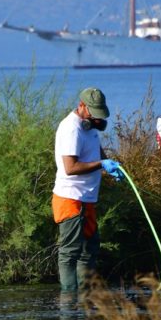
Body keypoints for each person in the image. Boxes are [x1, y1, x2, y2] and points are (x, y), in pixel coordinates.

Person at [52, 87, 124, 293]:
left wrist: (109, 166)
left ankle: (85, 298)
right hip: (70, 199)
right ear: (81, 105)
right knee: (70, 252)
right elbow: (70, 167)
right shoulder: (71, 129)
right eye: (93, 112)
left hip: (87, 199)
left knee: (89, 250)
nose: (96, 117)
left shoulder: (90, 126)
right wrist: (101, 164)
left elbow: (96, 151)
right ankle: (68, 301)